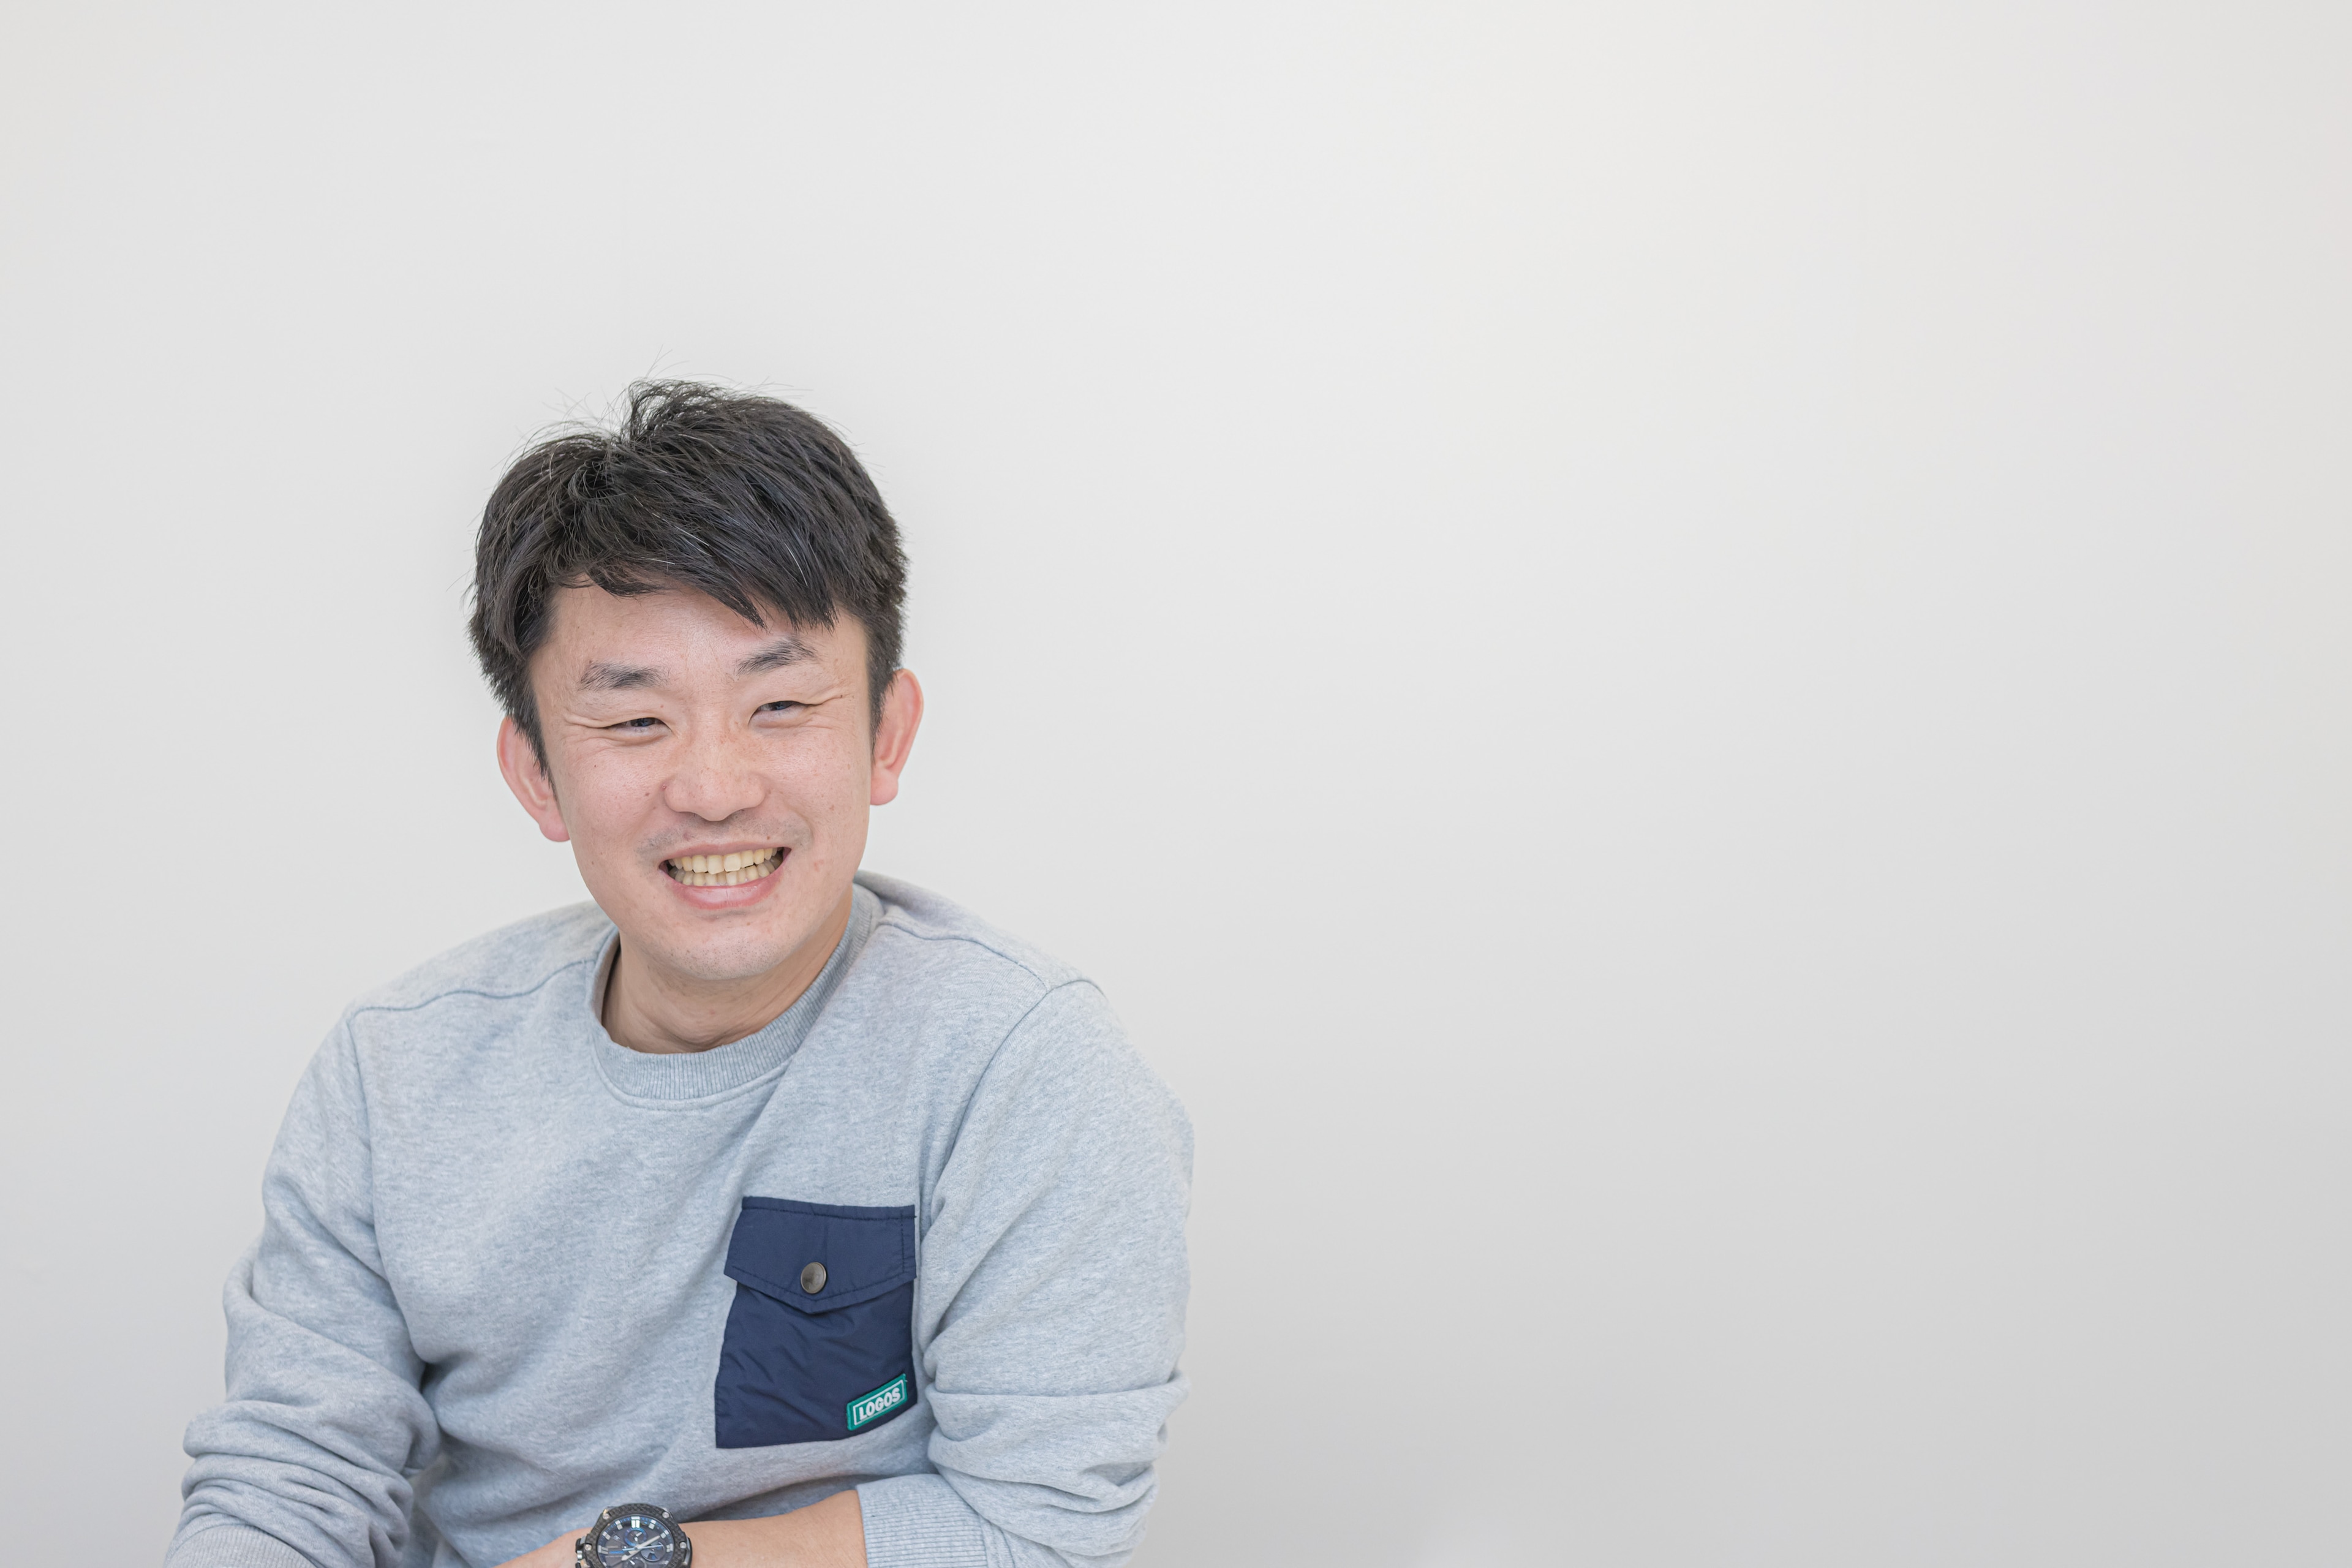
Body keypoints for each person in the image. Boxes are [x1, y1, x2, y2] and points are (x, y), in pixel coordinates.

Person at [166, 383, 1193, 1568]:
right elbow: (288, 1483)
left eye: (780, 704)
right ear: (536, 772)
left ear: (886, 734)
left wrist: (622, 1562)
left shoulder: (1026, 1069)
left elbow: (1041, 1528)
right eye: (637, 722)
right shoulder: (394, 1069)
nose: (713, 788)